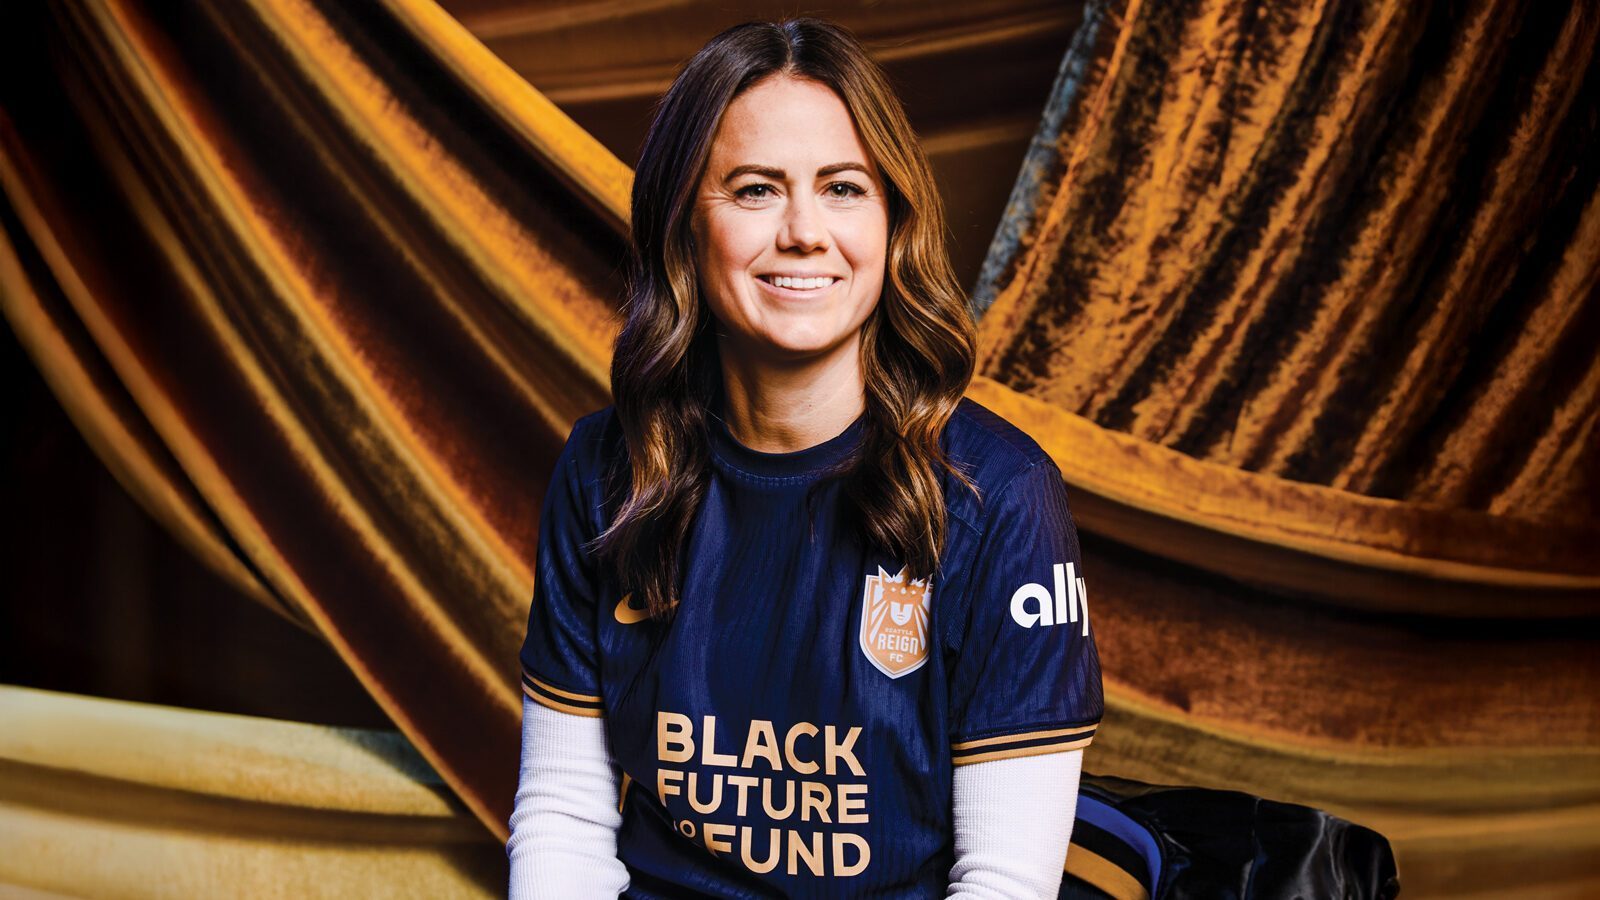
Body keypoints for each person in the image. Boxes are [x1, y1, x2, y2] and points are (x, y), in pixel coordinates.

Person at [507, 17, 1102, 899]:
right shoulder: (606, 470)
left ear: (893, 218)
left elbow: (1004, 883)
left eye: (843, 188)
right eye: (754, 190)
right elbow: (563, 811)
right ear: (684, 224)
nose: (803, 232)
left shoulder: (1001, 498)